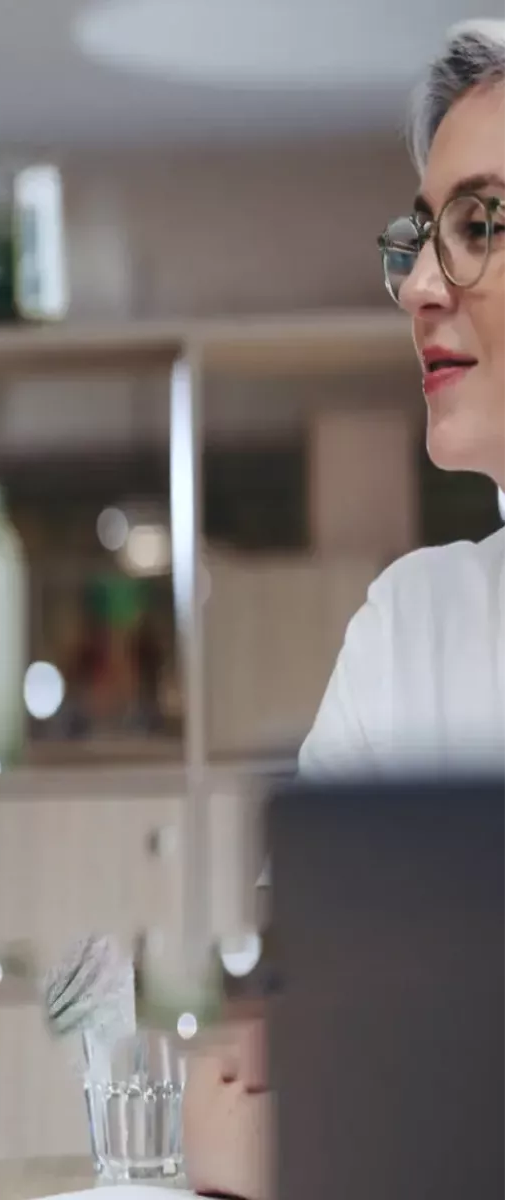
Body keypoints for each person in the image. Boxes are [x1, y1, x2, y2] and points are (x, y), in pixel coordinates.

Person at [182, 20, 505, 1198]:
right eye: (423, 235)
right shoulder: (411, 627)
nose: (422, 283)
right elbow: (257, 1081)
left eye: (482, 225)